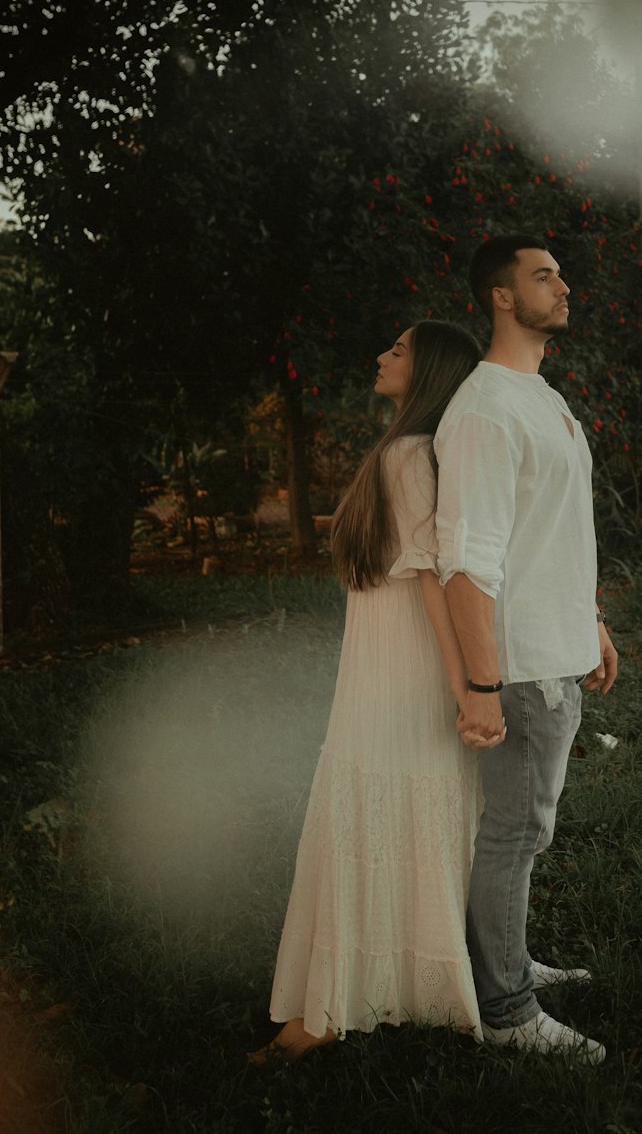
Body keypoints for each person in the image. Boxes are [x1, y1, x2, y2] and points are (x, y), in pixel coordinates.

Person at [254, 319, 487, 1062]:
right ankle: (360, 987)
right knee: (380, 808)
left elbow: (432, 583)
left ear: (426, 375)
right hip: (381, 662)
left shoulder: (411, 455)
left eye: (397, 351)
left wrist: (465, 684)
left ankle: (343, 1004)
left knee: (389, 804)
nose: (380, 356)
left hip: (408, 668)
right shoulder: (402, 453)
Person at [433, 233, 618, 1066]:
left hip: (559, 648)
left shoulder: (540, 396)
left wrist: (592, 622)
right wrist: (480, 685)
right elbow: (467, 568)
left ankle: (503, 958)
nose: (563, 285)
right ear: (502, 296)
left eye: (561, 272)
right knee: (514, 834)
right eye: (545, 275)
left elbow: (555, 531)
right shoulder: (484, 409)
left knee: (522, 833)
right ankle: (507, 1008)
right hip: (518, 670)